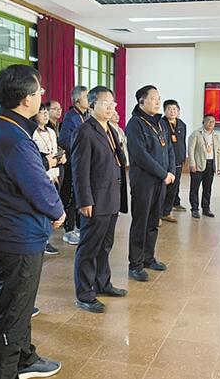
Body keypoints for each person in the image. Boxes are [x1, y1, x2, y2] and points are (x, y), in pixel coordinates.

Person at [0, 64, 65, 379]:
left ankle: (25, 358)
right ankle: (6, 371)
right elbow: (37, 184)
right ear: (26, 99)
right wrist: (57, 211)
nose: (42, 95)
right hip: (18, 234)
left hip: (8, 229)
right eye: (39, 91)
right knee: (13, 312)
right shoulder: (14, 137)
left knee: (18, 304)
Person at [71, 86, 128, 313]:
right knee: (89, 248)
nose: (110, 107)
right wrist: (85, 200)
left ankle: (103, 283)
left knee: (105, 245)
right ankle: (85, 294)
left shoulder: (110, 129)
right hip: (95, 200)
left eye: (113, 102)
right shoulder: (84, 131)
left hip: (111, 197)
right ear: (92, 105)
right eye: (105, 103)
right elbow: (79, 170)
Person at [126, 85, 175, 282]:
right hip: (144, 182)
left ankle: (148, 257)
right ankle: (135, 264)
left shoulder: (160, 123)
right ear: (141, 101)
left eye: (158, 98)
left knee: (154, 221)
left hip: (160, 180)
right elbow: (141, 156)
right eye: (153, 98)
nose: (157, 102)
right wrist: (163, 173)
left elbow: (169, 149)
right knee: (141, 222)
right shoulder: (135, 124)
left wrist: (171, 171)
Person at [32, 103, 67, 255]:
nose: (45, 115)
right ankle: (41, 240)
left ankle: (46, 238)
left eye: (47, 112)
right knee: (41, 207)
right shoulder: (32, 132)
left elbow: (55, 147)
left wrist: (61, 154)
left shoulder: (51, 131)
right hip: (41, 170)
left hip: (54, 171)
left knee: (51, 204)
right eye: (42, 112)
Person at [58, 86, 90, 246]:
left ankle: (80, 227)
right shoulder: (71, 117)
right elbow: (64, 140)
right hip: (73, 162)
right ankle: (69, 230)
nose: (89, 100)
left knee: (81, 195)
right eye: (86, 96)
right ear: (77, 100)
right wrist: (81, 149)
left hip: (85, 162)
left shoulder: (87, 115)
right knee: (71, 197)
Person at [188, 115, 220, 219]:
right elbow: (191, 150)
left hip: (210, 164)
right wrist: (192, 164)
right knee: (194, 188)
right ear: (203, 122)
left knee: (207, 188)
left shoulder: (216, 136)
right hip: (198, 164)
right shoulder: (196, 134)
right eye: (208, 121)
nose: (211, 123)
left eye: (213, 121)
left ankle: (206, 208)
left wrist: (219, 166)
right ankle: (194, 209)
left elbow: (219, 152)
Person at [161, 99, 187, 222]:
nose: (172, 112)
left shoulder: (182, 124)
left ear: (178, 111)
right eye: (169, 109)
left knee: (174, 187)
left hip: (178, 160)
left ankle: (166, 212)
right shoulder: (160, 124)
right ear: (164, 111)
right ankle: (159, 213)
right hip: (165, 161)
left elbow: (182, 142)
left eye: (174, 109)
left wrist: (183, 156)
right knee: (163, 188)